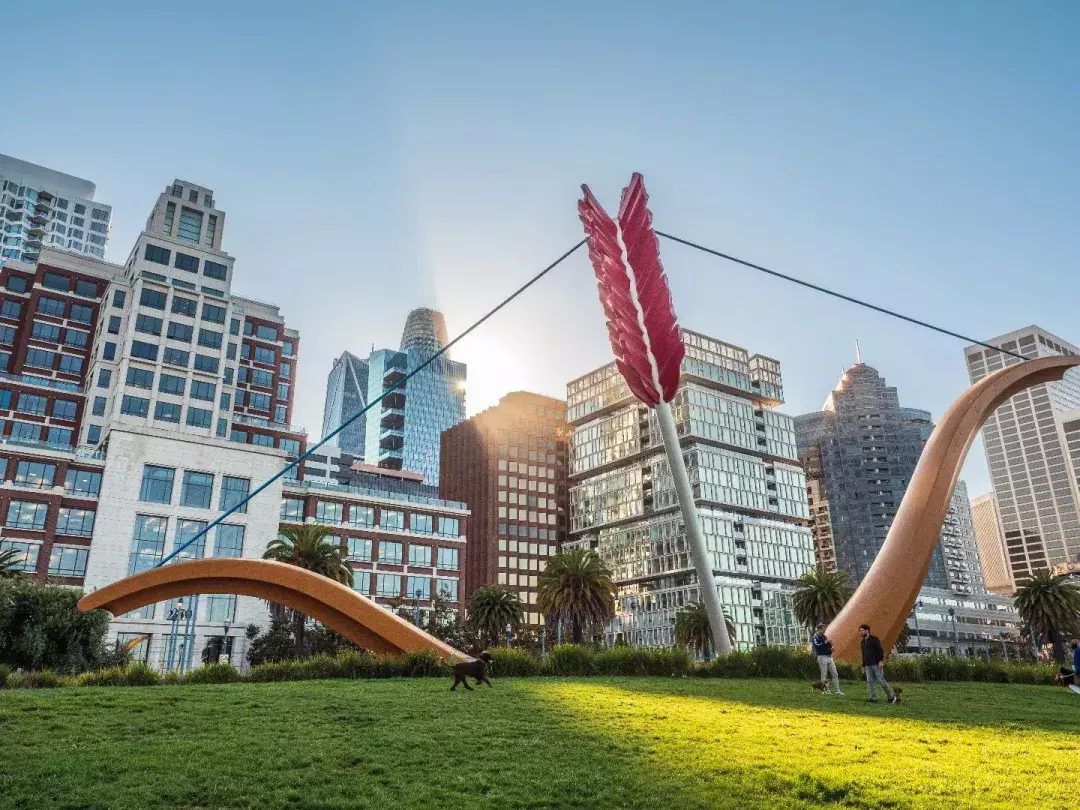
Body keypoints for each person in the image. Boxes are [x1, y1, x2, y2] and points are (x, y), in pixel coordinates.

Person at [858, 624, 897, 704]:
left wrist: (881, 661)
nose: (860, 632)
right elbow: (864, 654)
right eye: (860, 631)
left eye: (861, 630)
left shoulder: (874, 639)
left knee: (881, 680)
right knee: (870, 681)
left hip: (876, 664)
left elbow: (880, 650)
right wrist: (863, 665)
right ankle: (873, 697)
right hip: (868, 665)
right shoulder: (862, 642)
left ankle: (891, 696)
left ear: (867, 630)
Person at [810, 623, 843, 695]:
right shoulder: (815, 637)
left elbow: (829, 643)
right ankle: (825, 690)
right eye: (823, 629)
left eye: (825, 629)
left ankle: (837, 690)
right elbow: (817, 646)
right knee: (824, 674)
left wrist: (832, 646)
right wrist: (825, 642)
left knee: (835, 673)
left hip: (829, 656)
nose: (825, 630)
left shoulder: (824, 636)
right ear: (819, 629)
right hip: (822, 657)